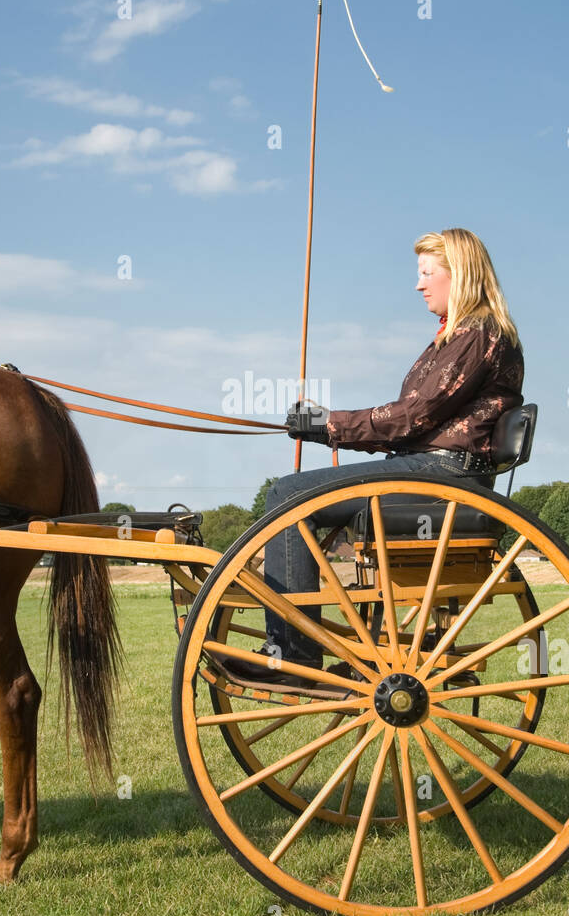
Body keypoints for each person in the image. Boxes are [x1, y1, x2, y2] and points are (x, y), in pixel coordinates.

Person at [218, 227, 524, 687]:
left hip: (443, 477)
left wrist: (329, 425)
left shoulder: (478, 335)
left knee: (286, 494)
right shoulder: (457, 338)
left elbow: (412, 416)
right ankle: (296, 644)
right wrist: (327, 429)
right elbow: (410, 423)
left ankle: (293, 656)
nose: (419, 285)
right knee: (290, 492)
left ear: (458, 273)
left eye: (427, 273)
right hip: (433, 470)